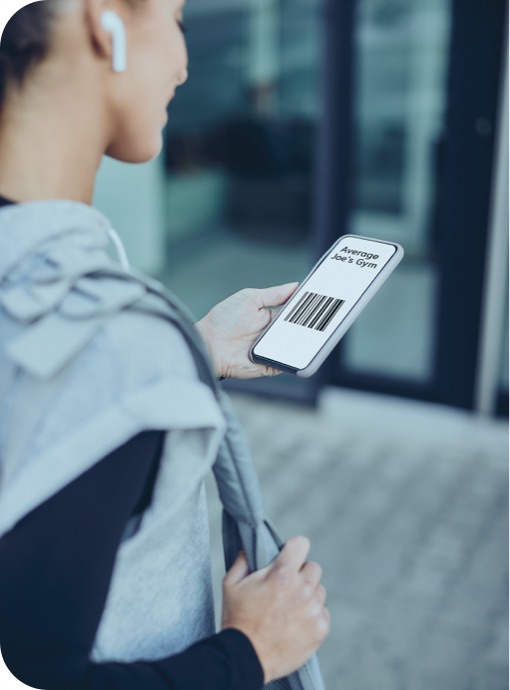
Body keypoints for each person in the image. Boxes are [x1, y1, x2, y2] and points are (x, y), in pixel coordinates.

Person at [0, 1, 330, 689]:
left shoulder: (55, 301)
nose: (185, 64)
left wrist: (189, 354)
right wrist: (250, 651)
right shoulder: (113, 341)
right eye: (177, 18)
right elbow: (41, 674)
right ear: (105, 22)